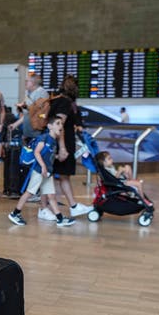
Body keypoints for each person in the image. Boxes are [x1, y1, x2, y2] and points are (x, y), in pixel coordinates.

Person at [8, 115, 75, 227]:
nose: (61, 126)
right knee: (29, 192)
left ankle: (59, 218)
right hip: (39, 171)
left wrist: (57, 157)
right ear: (50, 126)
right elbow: (37, 152)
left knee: (51, 195)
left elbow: (49, 155)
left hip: (47, 172)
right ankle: (15, 214)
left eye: (61, 124)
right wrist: (43, 166)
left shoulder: (53, 141)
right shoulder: (44, 138)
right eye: (58, 123)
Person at [47, 74, 93, 217]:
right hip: (62, 145)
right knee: (49, 176)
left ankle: (72, 206)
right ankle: (45, 209)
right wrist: (62, 148)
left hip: (59, 144)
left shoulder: (57, 101)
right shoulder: (64, 103)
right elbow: (58, 126)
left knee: (61, 176)